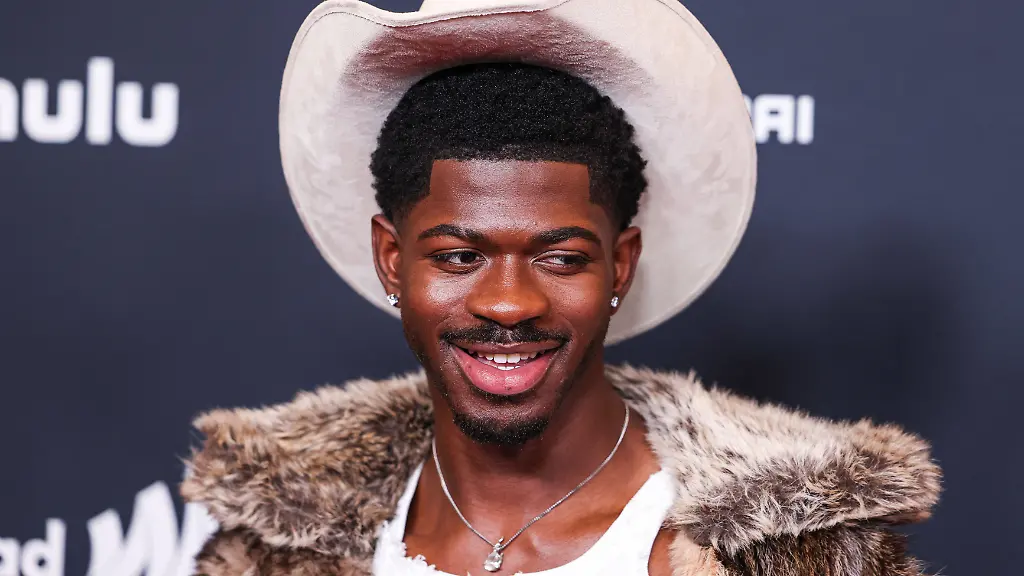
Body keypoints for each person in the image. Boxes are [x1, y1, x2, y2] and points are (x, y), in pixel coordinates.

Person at [182, 0, 941, 574]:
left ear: (621, 264)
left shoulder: (787, 552)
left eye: (562, 258)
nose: (509, 304)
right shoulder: (273, 542)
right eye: (456, 257)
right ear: (391, 259)